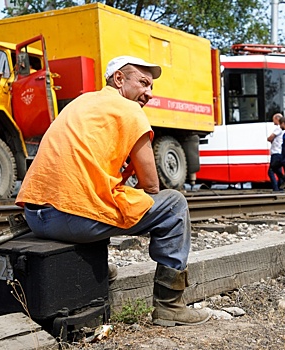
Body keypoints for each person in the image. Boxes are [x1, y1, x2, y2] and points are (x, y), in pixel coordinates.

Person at [15, 56, 210, 327]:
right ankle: (170, 306)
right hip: (72, 220)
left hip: (37, 218)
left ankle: (95, 273)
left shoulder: (80, 102)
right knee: (174, 204)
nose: (149, 93)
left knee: (100, 195)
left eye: (151, 86)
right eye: (143, 83)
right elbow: (152, 186)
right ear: (119, 79)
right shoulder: (129, 110)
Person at [267, 113, 285, 191]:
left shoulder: (278, 128)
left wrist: (270, 139)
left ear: (277, 119)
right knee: (278, 169)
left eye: (273, 119)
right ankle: (280, 186)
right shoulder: (282, 129)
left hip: (276, 152)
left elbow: (270, 138)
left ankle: (276, 188)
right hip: (279, 152)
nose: (272, 121)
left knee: (271, 171)